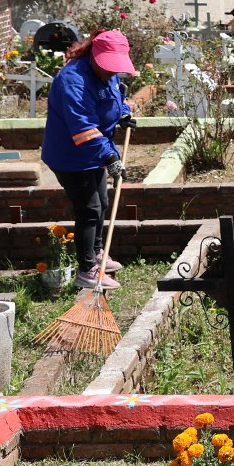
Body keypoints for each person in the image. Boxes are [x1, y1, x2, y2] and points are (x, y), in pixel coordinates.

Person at [41, 30, 136, 289]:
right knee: (89, 209)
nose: (111, 72)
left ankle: (96, 252)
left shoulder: (106, 72)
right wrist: (109, 156)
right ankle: (86, 270)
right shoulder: (73, 81)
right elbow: (83, 127)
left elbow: (114, 97)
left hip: (93, 151)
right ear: (94, 55)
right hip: (70, 154)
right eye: (108, 67)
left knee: (101, 203)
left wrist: (123, 113)